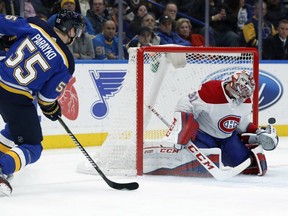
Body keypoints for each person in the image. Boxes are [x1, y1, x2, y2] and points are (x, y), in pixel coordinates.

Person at [0, 9, 83, 196]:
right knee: (33, 147)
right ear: (70, 30)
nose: (76, 36)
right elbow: (46, 98)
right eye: (76, 31)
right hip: (16, 97)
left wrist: (8, 39)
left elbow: (3, 23)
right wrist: (51, 108)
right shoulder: (66, 61)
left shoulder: (36, 25)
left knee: (14, 131)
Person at [171, 71, 278, 176]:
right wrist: (183, 125)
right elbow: (186, 102)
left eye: (246, 95)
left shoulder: (246, 102)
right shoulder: (212, 91)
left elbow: (241, 123)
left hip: (228, 139)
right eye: (242, 93)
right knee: (201, 171)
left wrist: (257, 131)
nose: (243, 98)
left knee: (250, 166)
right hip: (203, 136)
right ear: (234, 86)